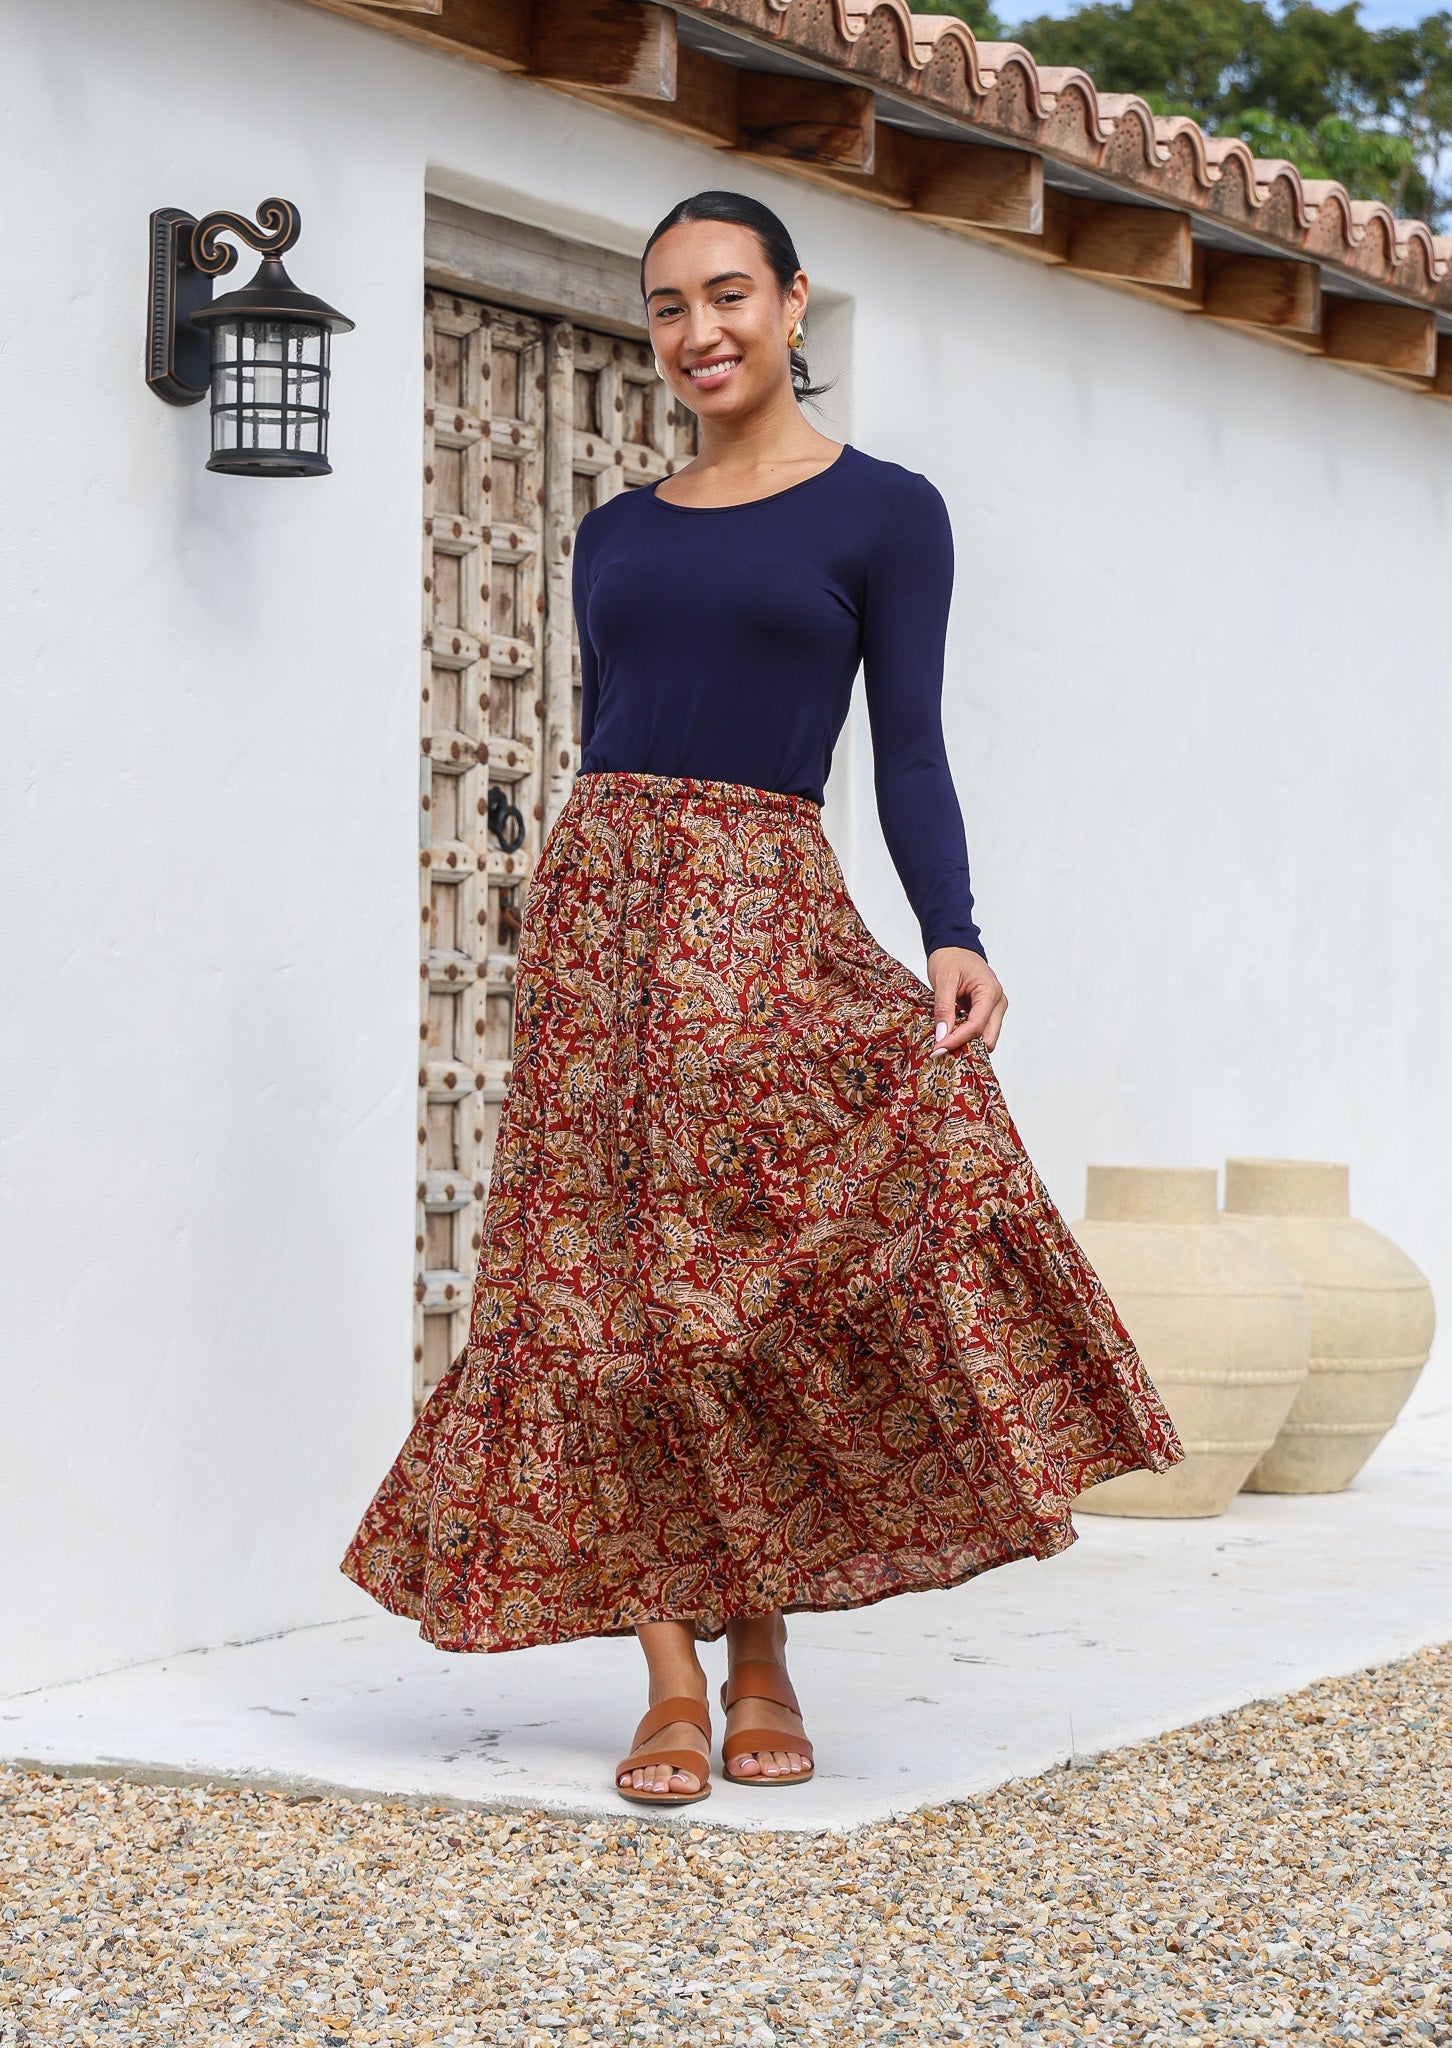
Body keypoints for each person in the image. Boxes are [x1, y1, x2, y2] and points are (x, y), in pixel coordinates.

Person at [341, 190, 1185, 1808]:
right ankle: (670, 1679)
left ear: (794, 304)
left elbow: (910, 747)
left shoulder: (885, 513)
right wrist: (587, 892)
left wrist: (953, 929)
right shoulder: (615, 532)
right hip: (599, 922)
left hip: (760, 910)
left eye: (728, 294)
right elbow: (607, 729)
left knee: (743, 1287)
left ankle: (765, 1647)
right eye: (667, 305)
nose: (698, 331)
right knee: (598, 1296)